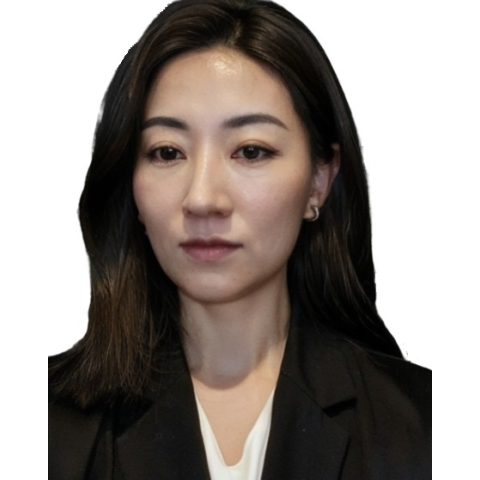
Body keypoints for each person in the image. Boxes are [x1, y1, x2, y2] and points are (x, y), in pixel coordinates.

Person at [48, 0, 431, 478]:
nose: (202, 198)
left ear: (319, 181)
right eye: (167, 153)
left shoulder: (428, 426)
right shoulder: (41, 427)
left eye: (250, 151)